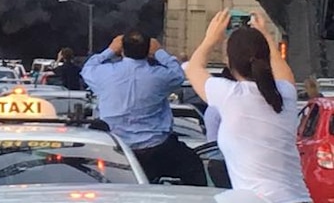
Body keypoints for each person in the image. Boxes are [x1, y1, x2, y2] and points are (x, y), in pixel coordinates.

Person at [185, 10, 311, 202]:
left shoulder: (229, 95)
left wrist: (211, 38)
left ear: (229, 61)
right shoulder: (285, 93)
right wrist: (266, 36)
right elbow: (282, 71)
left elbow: (194, 68)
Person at [81, 29, 206, 186]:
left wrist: (110, 50)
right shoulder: (159, 76)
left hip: (115, 148)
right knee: (193, 168)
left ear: (122, 50)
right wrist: (160, 52)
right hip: (156, 149)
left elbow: (87, 68)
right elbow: (178, 74)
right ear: (148, 51)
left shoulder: (104, 73)